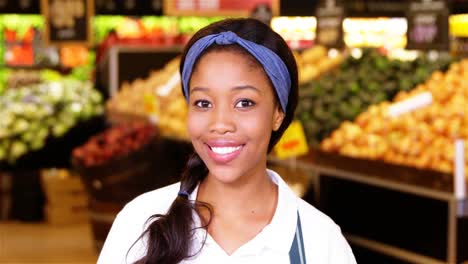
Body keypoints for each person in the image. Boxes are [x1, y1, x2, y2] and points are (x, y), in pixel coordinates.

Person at [97, 18, 357, 264]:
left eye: (244, 103)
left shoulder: (321, 243)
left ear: (278, 113)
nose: (220, 123)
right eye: (203, 103)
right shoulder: (139, 223)